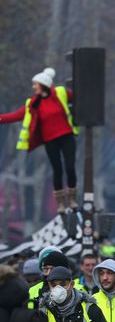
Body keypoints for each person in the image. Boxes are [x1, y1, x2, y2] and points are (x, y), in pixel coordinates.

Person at [0, 67, 79, 213]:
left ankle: (72, 198)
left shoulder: (60, 92)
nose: (33, 86)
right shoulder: (33, 103)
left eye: (35, 84)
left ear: (43, 84)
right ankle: (60, 203)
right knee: (57, 170)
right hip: (51, 141)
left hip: (67, 136)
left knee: (70, 167)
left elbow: (79, 99)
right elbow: (16, 115)